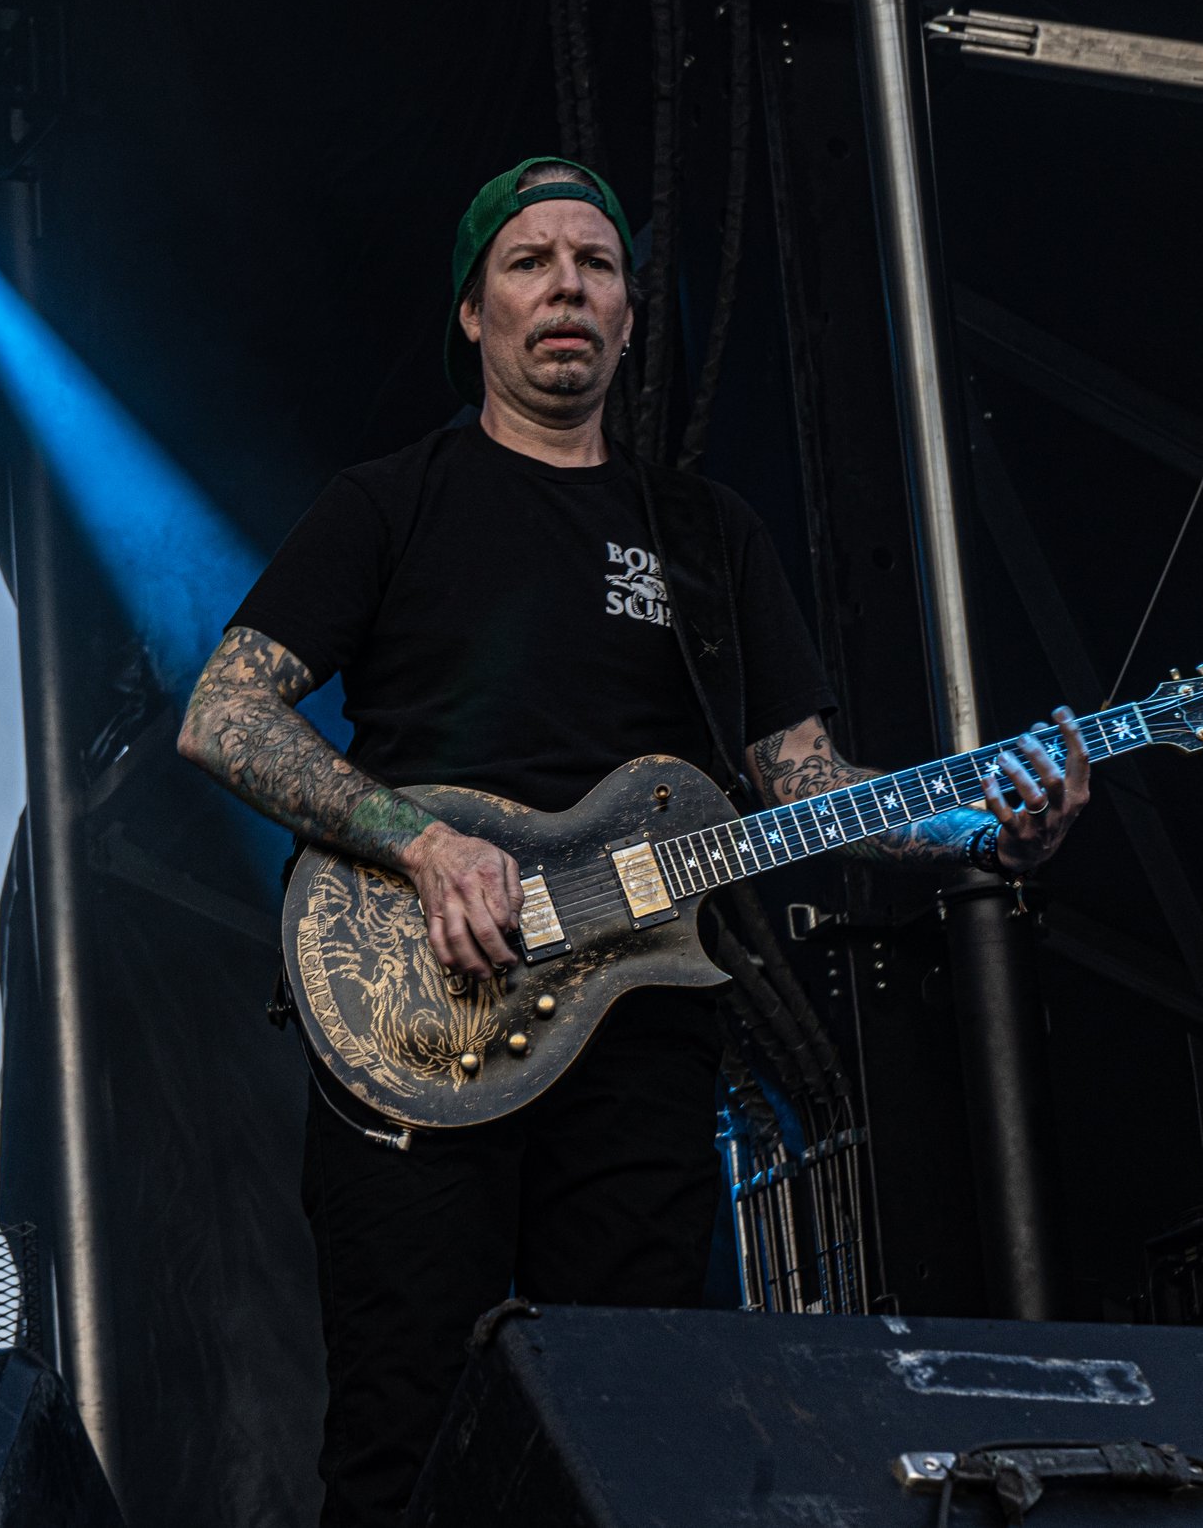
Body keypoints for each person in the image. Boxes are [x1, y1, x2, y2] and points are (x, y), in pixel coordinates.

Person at [176, 156, 1091, 1527]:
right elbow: (224, 711)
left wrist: (981, 825)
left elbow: (803, 779)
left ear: (629, 310)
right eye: (531, 263)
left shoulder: (706, 536)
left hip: (639, 1033)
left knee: (637, 1425)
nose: (568, 288)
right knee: (405, 1436)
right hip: (419, 1008)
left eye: (596, 266)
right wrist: (422, 844)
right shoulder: (391, 501)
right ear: (474, 314)